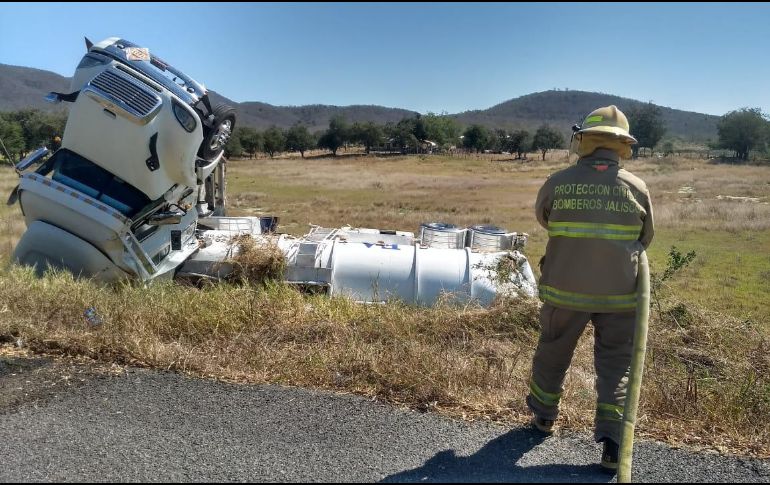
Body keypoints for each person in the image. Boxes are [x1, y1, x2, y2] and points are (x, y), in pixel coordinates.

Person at [527, 105, 654, 473]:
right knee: (616, 363)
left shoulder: (558, 182)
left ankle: (543, 417)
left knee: (553, 352)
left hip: (564, 291)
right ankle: (614, 445)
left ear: (584, 139)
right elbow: (646, 238)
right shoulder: (636, 187)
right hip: (620, 297)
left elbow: (544, 217)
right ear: (622, 146)